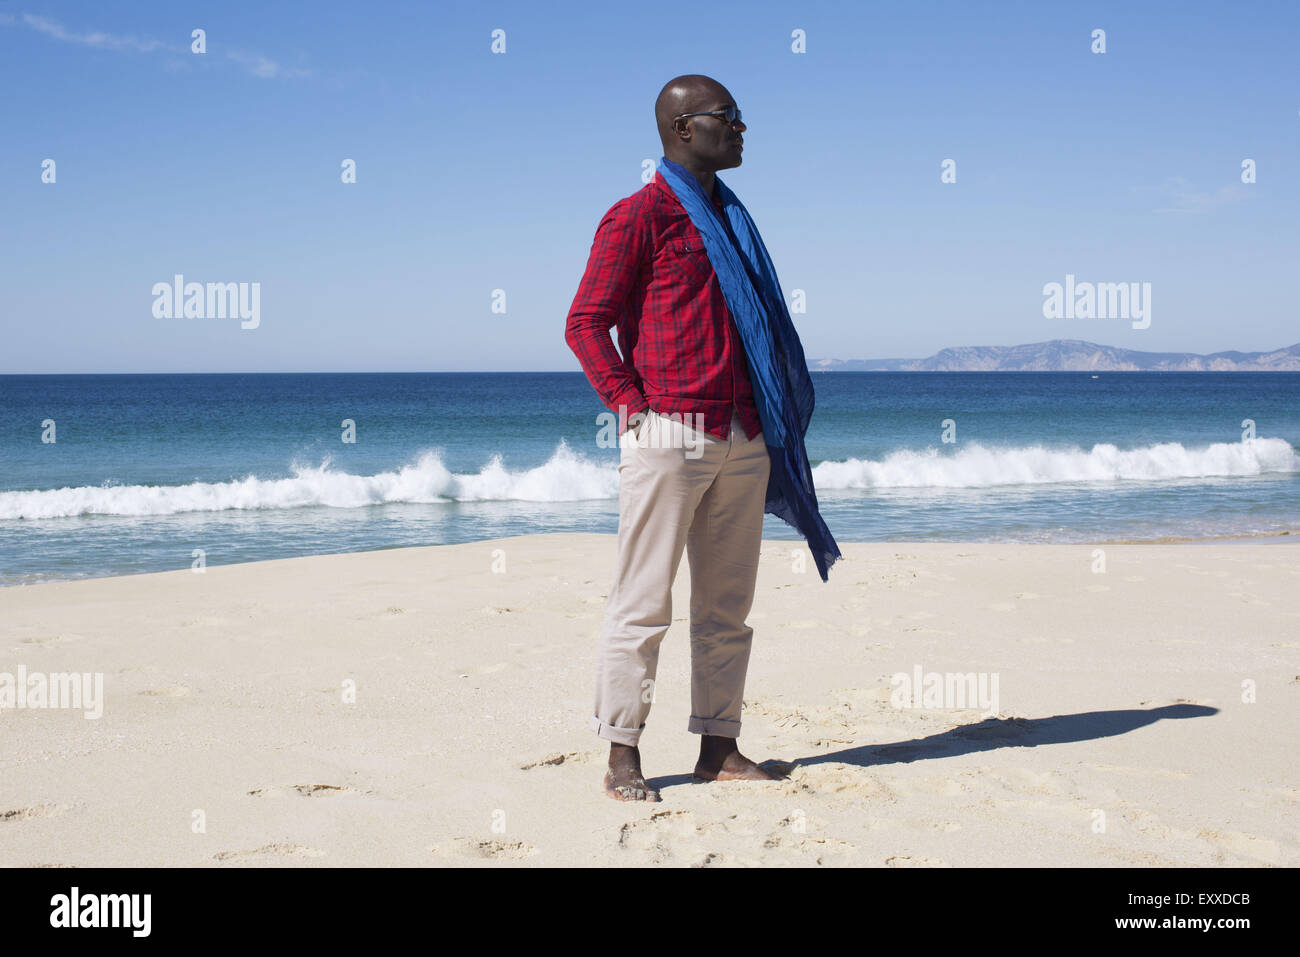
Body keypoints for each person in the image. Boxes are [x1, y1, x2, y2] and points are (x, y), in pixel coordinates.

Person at [566, 74, 831, 802]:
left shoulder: (735, 223)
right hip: (670, 433)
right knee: (642, 601)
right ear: (684, 128)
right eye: (729, 117)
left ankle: (720, 746)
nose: (742, 128)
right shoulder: (638, 216)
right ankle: (622, 755)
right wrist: (629, 403)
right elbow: (585, 321)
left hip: (744, 435)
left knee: (726, 605)